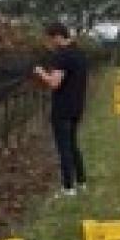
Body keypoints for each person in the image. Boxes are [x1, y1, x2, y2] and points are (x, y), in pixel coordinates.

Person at [33, 22, 88, 197]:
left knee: (64, 148)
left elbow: (54, 83)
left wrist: (41, 72)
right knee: (72, 145)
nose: (48, 44)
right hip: (77, 106)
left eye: (49, 40)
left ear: (57, 37)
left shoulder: (61, 56)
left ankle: (68, 188)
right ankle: (81, 182)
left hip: (62, 108)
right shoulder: (79, 53)